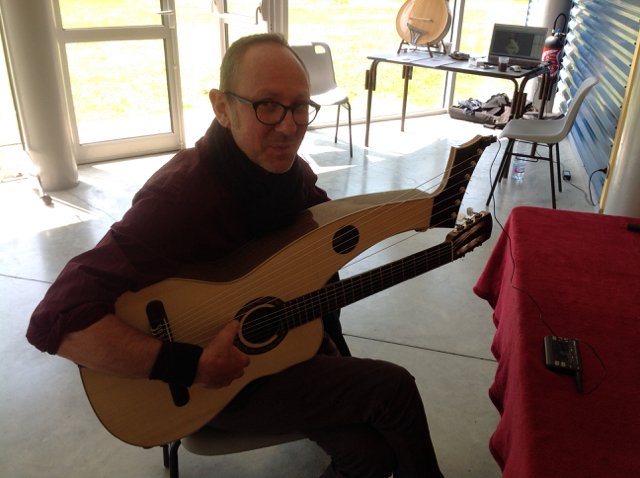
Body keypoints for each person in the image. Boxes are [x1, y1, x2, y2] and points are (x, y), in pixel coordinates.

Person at [27, 33, 444, 478]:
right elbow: (56, 319)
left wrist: (419, 215)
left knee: (370, 456)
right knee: (391, 389)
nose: (289, 127)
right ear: (222, 107)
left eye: (300, 106)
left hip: (282, 354)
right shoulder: (180, 197)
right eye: (267, 105)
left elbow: (332, 234)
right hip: (206, 387)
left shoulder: (290, 176)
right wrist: (190, 365)